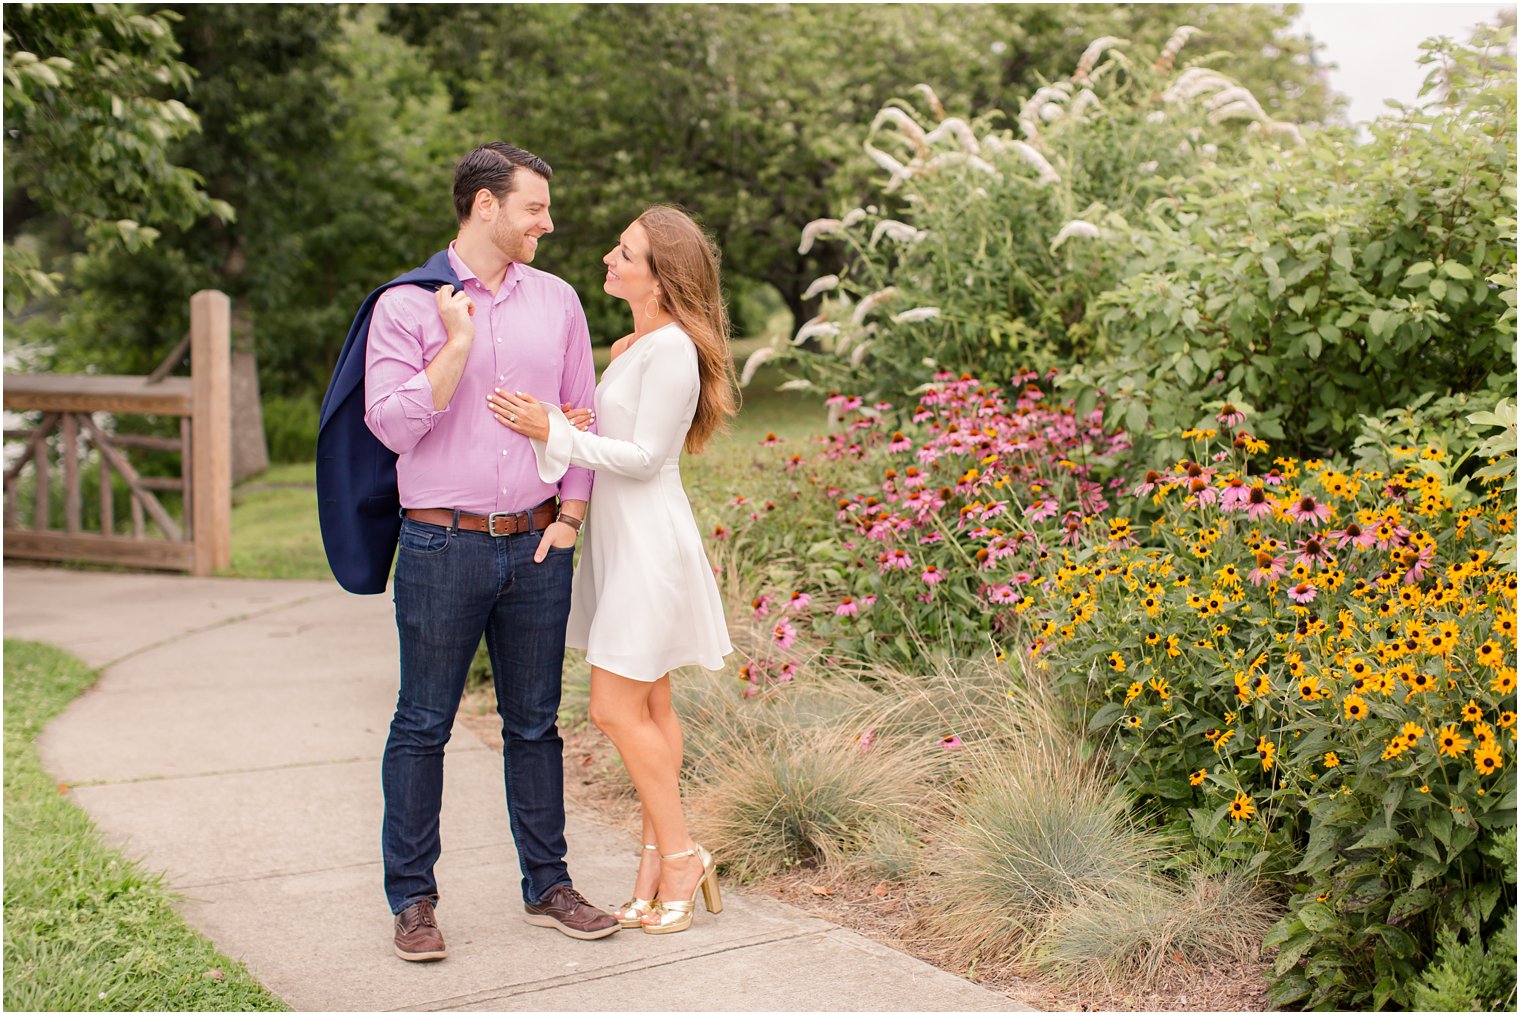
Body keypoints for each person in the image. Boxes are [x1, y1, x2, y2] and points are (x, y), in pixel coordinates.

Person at [356, 142, 619, 961]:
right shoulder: (407, 308)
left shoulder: (560, 301)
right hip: (441, 543)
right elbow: (392, 425)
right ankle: (414, 901)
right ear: (485, 207)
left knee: (535, 725)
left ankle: (549, 884)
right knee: (422, 723)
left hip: (538, 544)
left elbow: (583, 415)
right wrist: (457, 348)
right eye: (535, 207)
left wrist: (569, 517)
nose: (549, 221)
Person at [463, 206, 736, 935]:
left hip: (649, 544)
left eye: (626, 253)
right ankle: (654, 860)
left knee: (614, 710)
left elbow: (647, 459)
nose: (609, 259)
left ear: (661, 276)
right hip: (622, 540)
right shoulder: (635, 342)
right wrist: (573, 429)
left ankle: (682, 854)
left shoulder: (674, 347)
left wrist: (552, 429)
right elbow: (620, 440)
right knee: (650, 708)